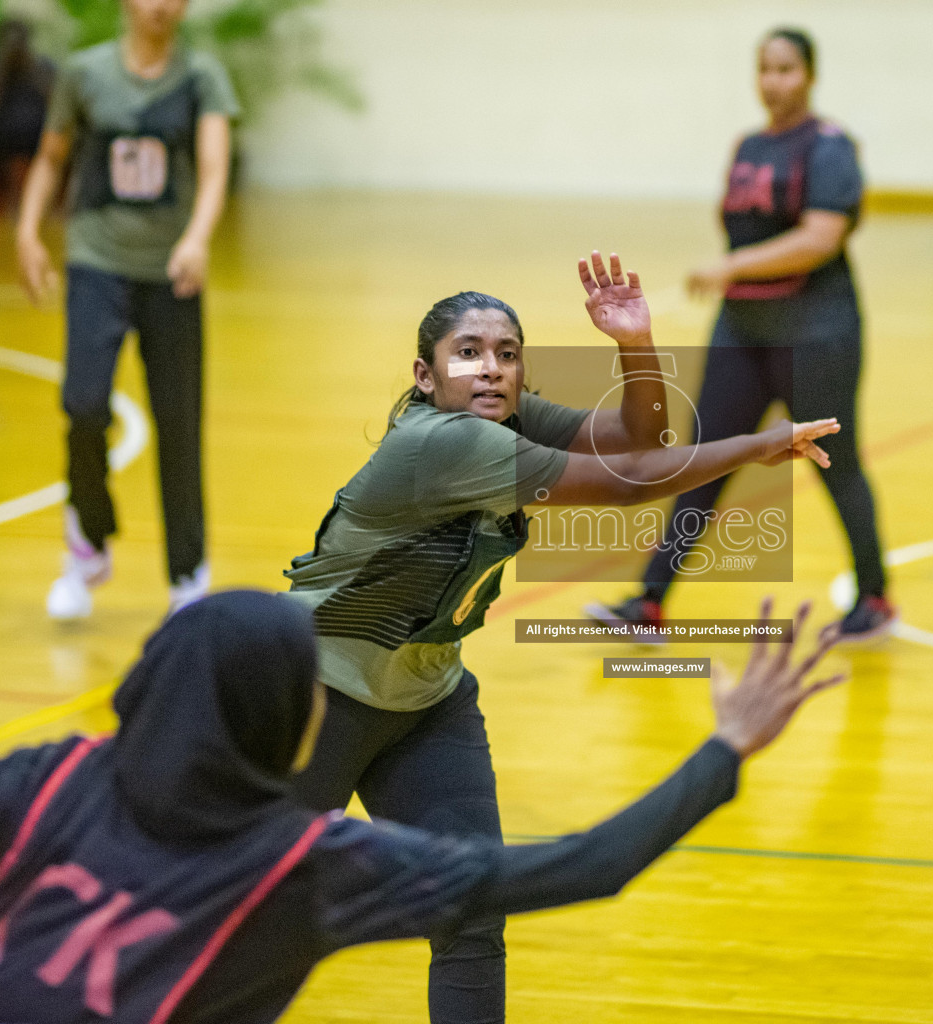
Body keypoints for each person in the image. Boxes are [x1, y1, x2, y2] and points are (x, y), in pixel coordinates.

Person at [282, 253, 840, 1024]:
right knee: (251, 913)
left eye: (506, 355)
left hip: (426, 698)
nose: (491, 370)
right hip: (317, 697)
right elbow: (628, 484)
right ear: (425, 374)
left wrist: (634, 343)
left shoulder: (505, 421)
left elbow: (638, 439)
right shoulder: (442, 444)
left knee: (472, 913)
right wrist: (755, 445)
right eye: (468, 353)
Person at [0, 590, 844, 1023]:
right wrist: (724, 752)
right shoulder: (304, 866)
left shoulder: (59, 776)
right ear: (278, 720)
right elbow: (585, 866)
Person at [586, 27, 894, 643]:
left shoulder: (830, 148)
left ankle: (875, 598)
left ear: (810, 75)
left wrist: (729, 267)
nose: (774, 81)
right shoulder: (749, 145)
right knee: (701, 461)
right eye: (765, 69)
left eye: (786, 69)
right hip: (743, 331)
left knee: (836, 464)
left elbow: (820, 238)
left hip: (816, 333)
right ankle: (649, 602)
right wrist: (733, 277)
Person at [15, 0, 238, 621]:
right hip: (97, 259)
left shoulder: (201, 77)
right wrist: (29, 232)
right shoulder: (85, 74)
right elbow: (52, 158)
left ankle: (187, 579)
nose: (161, 6)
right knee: (82, 405)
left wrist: (196, 238)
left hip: (172, 272)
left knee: (178, 423)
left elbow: (215, 168)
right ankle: (85, 545)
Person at [0, 19, 56, 209]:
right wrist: (3, 68)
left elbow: (53, 102)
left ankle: (47, 199)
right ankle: (9, 196)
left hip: (36, 130)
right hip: (5, 133)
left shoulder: (42, 66)